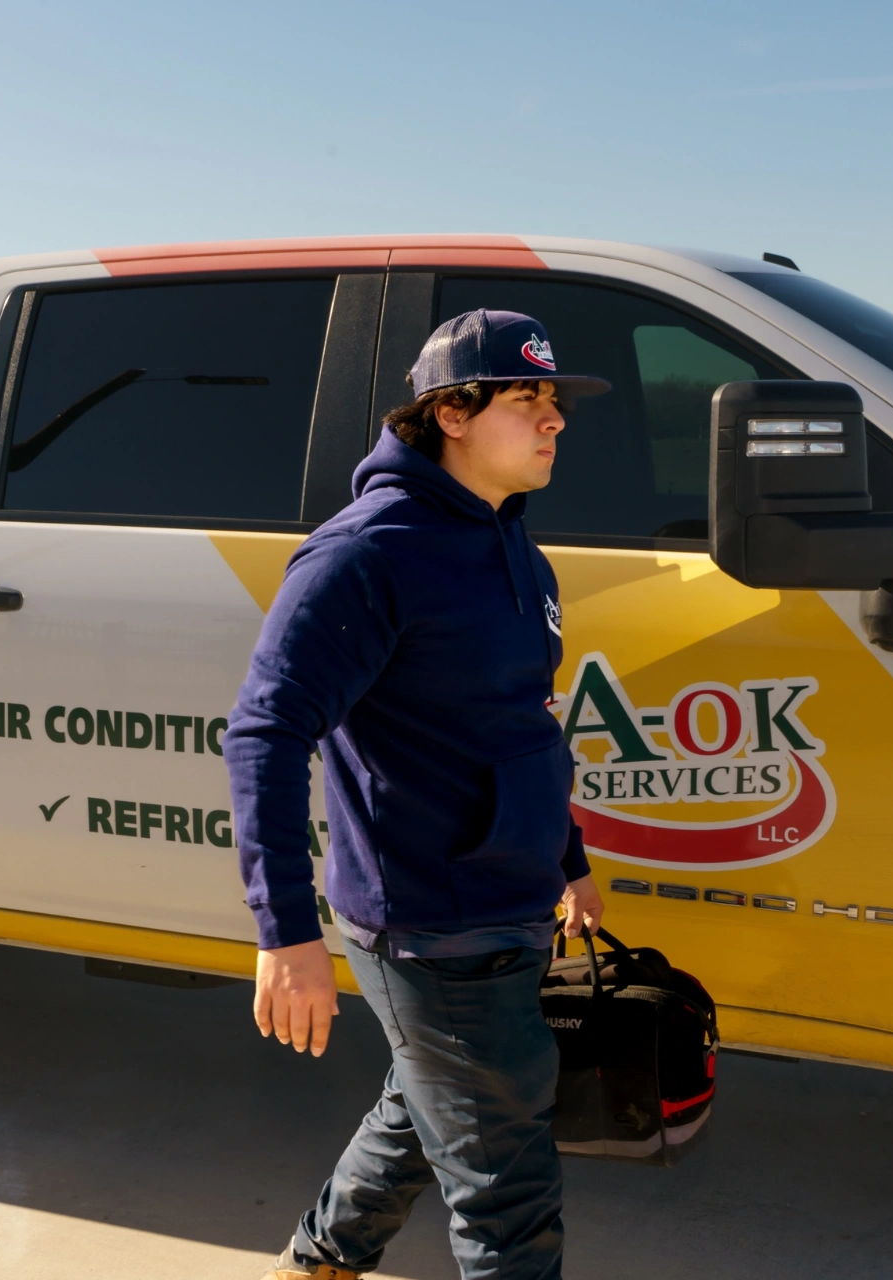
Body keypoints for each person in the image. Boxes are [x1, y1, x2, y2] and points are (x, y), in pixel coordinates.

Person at [224, 310, 611, 1280]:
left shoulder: (516, 546)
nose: (554, 418)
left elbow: (520, 723)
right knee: (508, 1194)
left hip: (511, 900)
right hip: (435, 923)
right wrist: (285, 933)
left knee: (424, 1104)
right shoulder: (365, 554)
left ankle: (318, 1259)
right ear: (450, 409)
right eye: (528, 397)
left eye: (556, 399)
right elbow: (266, 733)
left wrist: (569, 861)